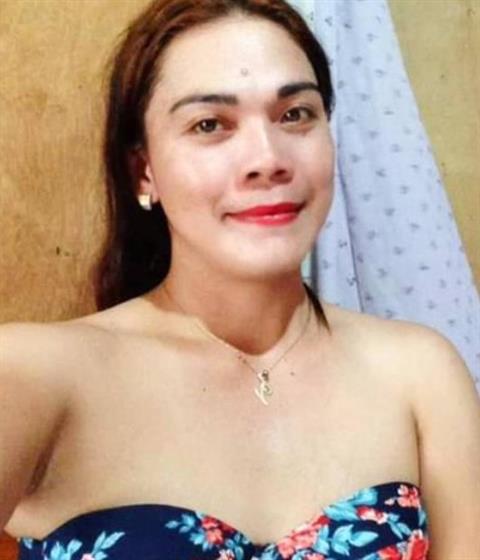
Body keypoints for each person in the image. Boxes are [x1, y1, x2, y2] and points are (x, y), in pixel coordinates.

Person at [1, 0, 479, 558]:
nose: (268, 158)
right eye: (209, 124)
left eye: (295, 114)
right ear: (144, 171)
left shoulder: (419, 372)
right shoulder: (34, 373)